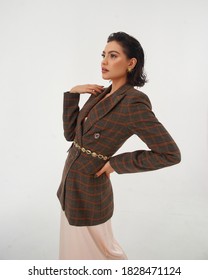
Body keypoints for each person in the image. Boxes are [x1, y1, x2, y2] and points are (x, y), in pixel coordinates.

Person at [57, 32, 181, 260]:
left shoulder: (133, 102)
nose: (104, 61)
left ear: (131, 63)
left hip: (91, 190)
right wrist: (73, 95)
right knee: (74, 256)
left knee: (105, 254)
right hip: (70, 186)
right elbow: (70, 135)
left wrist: (115, 164)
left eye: (113, 56)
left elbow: (170, 154)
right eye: (103, 55)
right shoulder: (100, 94)